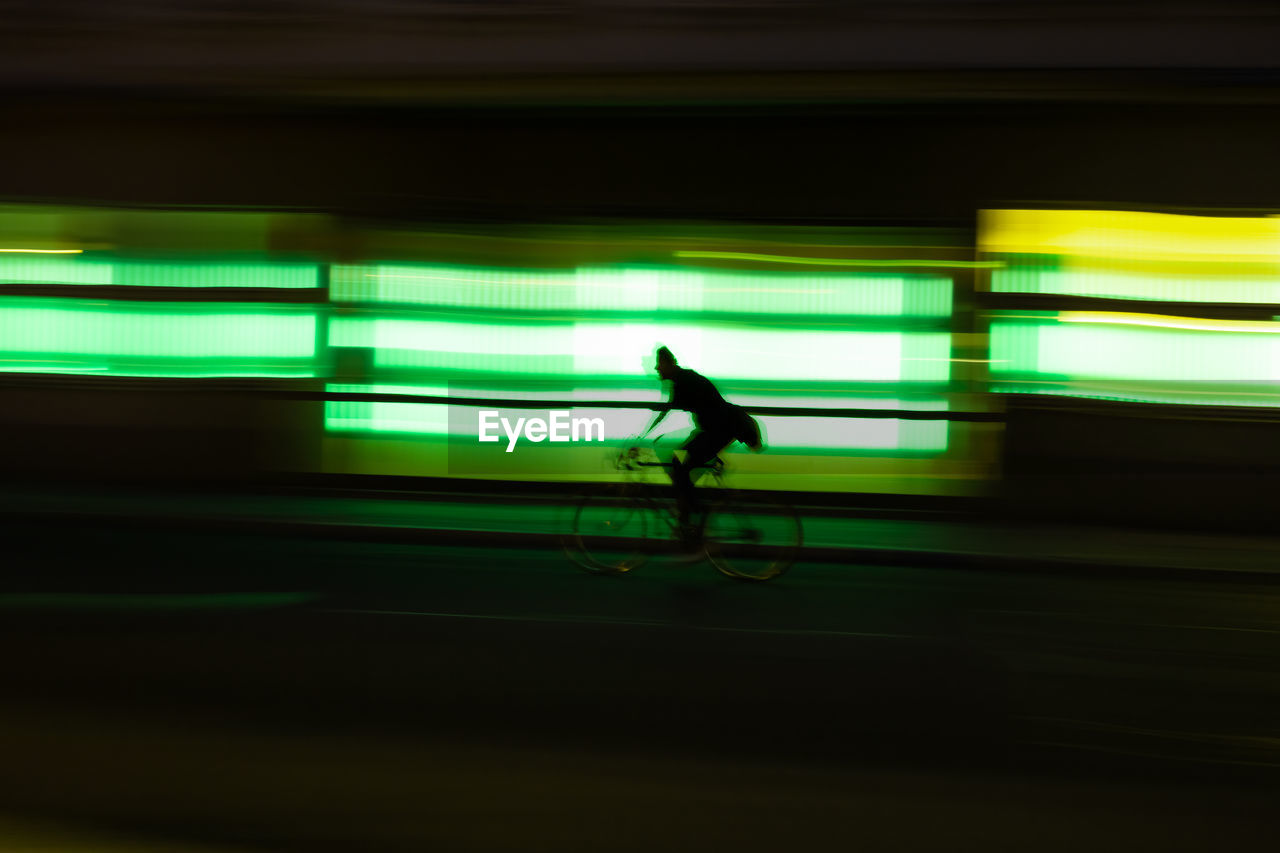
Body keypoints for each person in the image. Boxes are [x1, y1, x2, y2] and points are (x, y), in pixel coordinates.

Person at [638, 346, 763, 544]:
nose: (656, 368)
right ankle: (687, 521)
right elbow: (668, 409)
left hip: (721, 429)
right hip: (721, 427)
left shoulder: (684, 381)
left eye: (659, 363)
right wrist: (643, 436)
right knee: (681, 467)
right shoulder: (683, 379)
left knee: (679, 467)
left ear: (669, 364)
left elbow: (667, 410)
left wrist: (640, 438)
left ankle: (695, 516)